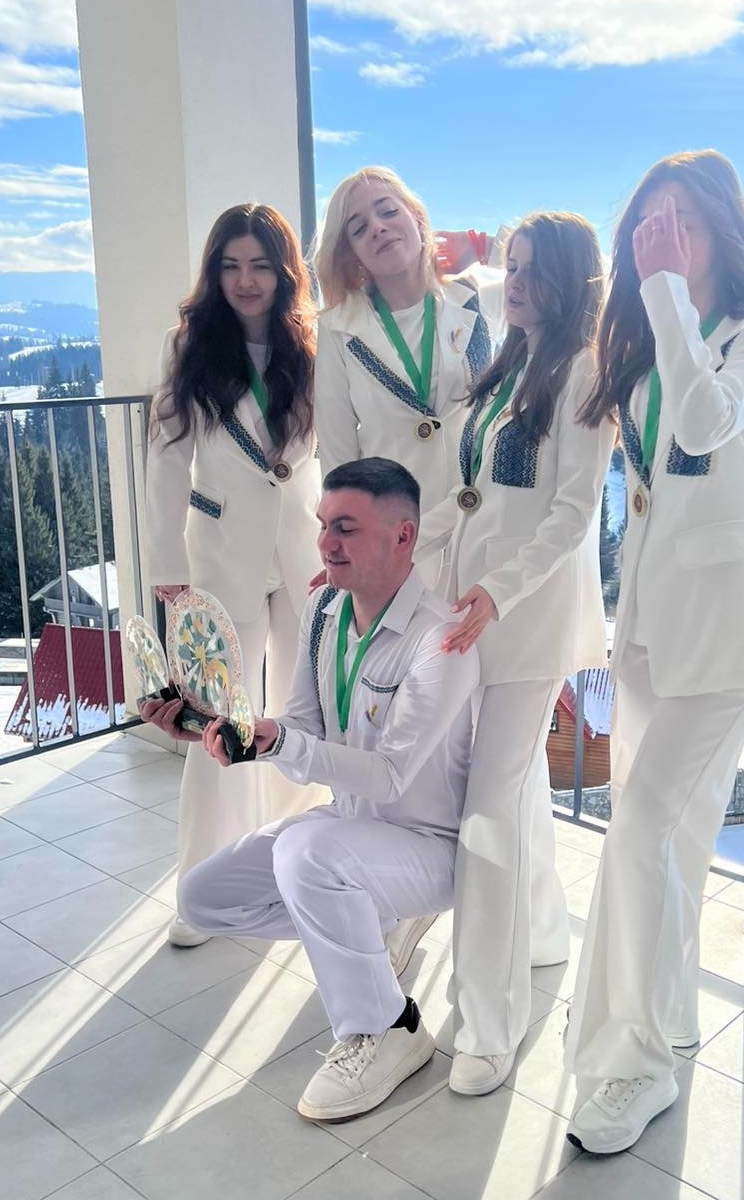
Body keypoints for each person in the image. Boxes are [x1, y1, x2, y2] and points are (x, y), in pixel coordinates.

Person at [562, 150, 744, 1153]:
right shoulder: (648, 350)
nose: (662, 237)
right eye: (648, 225)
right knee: (671, 844)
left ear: (722, 228)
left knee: (637, 832)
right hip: (651, 631)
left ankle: (636, 1064)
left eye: (681, 220)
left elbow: (708, 421)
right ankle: (668, 1020)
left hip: (730, 636)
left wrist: (664, 292)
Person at [143, 458, 480, 1121]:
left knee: (308, 856)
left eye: (346, 528)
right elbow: (299, 727)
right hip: (350, 832)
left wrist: (281, 744)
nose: (325, 543)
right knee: (203, 897)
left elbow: (389, 774)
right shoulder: (324, 609)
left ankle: (387, 1028)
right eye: (323, 525)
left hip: (427, 847)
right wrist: (215, 727)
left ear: (404, 537)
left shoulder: (438, 640)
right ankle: (364, 919)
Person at [415, 212, 614, 1095]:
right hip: (468, 610)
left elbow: (572, 513)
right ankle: (538, 936)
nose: (519, 283)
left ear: (572, 280)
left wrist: (498, 591)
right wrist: (385, 558)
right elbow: (465, 494)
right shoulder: (508, 364)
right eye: (514, 267)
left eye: (535, 270)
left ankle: (490, 1023)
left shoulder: (582, 371)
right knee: (507, 789)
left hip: (523, 624)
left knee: (486, 812)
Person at [145, 202, 321, 947]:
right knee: (219, 717)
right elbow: (166, 458)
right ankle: (203, 888)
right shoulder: (187, 345)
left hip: (307, 557)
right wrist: (167, 565)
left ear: (284, 273)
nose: (246, 280)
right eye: (231, 265)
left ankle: (295, 873)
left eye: (260, 266)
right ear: (214, 272)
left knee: (301, 716)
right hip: (219, 556)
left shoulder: (311, 344)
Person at [311, 168, 502, 549]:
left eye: (388, 211)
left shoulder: (478, 298)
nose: (378, 228)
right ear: (351, 252)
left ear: (417, 217)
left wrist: (487, 247)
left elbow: (576, 274)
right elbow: (338, 457)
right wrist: (350, 547)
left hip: (484, 531)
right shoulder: (339, 329)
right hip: (397, 543)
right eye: (359, 228)